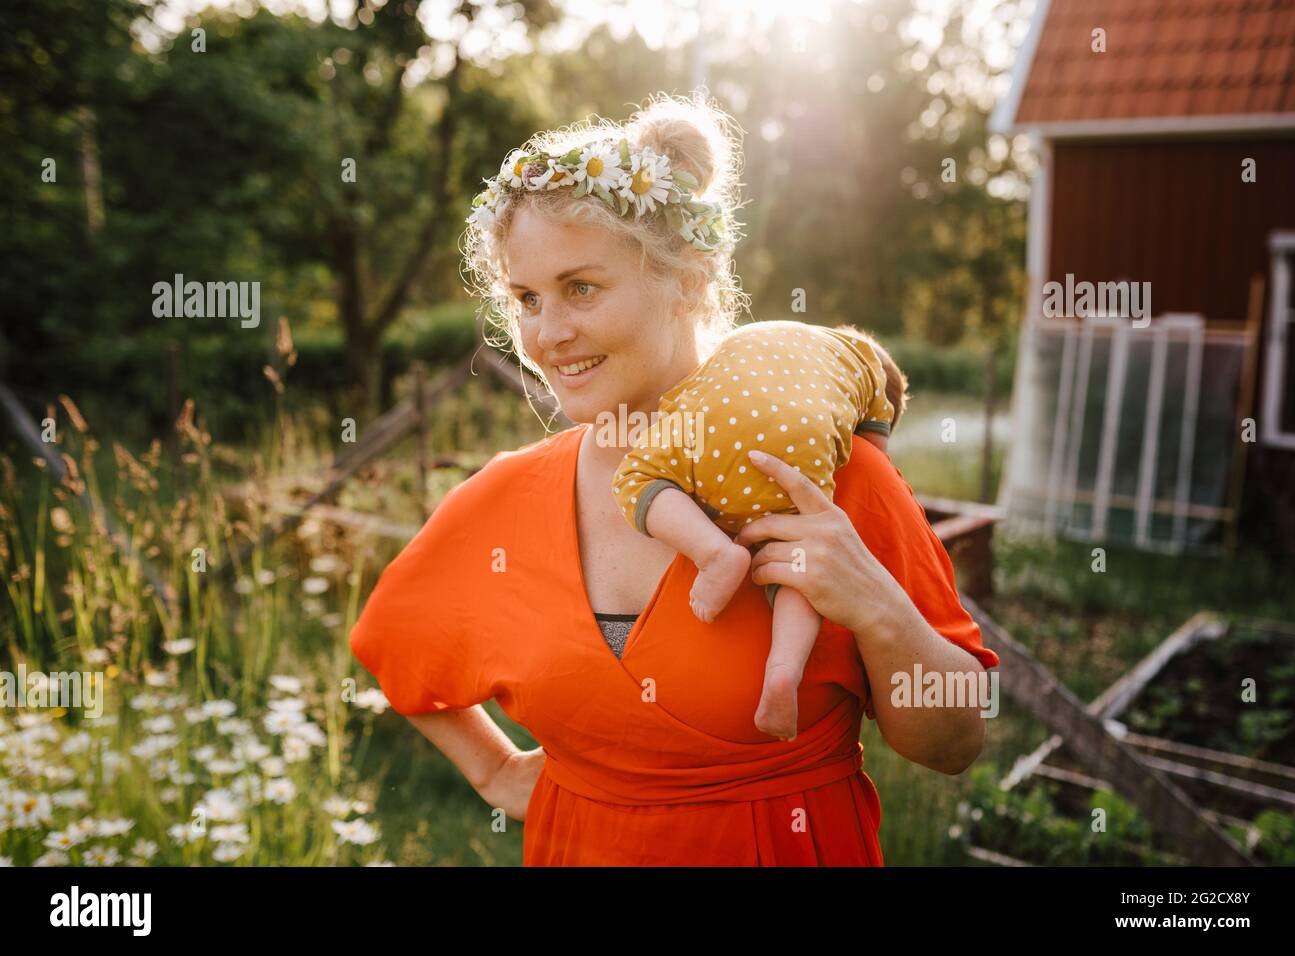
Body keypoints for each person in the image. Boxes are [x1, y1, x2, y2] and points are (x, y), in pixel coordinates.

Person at [349, 90, 998, 866]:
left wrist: (881, 611)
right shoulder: (506, 496)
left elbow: (956, 744)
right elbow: (392, 638)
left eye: (581, 288)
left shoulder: (828, 474)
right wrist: (495, 772)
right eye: (526, 298)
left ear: (687, 280)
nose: (549, 333)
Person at [609, 319, 905, 742]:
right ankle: (782, 673)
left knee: (636, 479)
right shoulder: (870, 373)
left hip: (713, 417)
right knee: (799, 564)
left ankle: (713, 550)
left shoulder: (783, 334)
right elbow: (873, 461)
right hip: (797, 447)